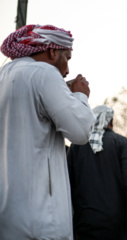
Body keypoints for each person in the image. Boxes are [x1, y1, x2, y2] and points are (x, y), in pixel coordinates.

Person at [0, 24, 95, 239]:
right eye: (67, 58)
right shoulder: (45, 73)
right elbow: (80, 132)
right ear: (53, 52)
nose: (67, 70)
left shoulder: (4, 74)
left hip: (7, 219)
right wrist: (80, 96)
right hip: (42, 220)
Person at [67, 105, 127, 240]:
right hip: (117, 223)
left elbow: (68, 182)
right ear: (111, 121)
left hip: (85, 221)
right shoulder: (121, 143)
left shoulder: (77, 146)